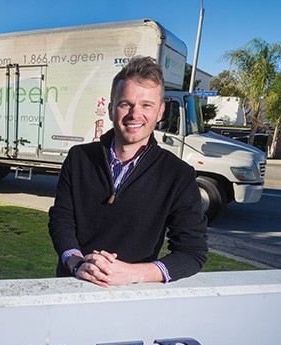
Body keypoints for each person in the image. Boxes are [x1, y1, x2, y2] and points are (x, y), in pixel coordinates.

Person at [48, 56, 207, 287]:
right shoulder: (79, 158)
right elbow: (61, 220)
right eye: (126, 104)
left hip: (132, 296)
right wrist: (77, 263)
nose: (135, 114)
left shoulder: (178, 175)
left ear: (160, 111)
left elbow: (192, 253)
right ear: (112, 109)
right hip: (73, 284)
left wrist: (133, 274)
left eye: (146, 105)